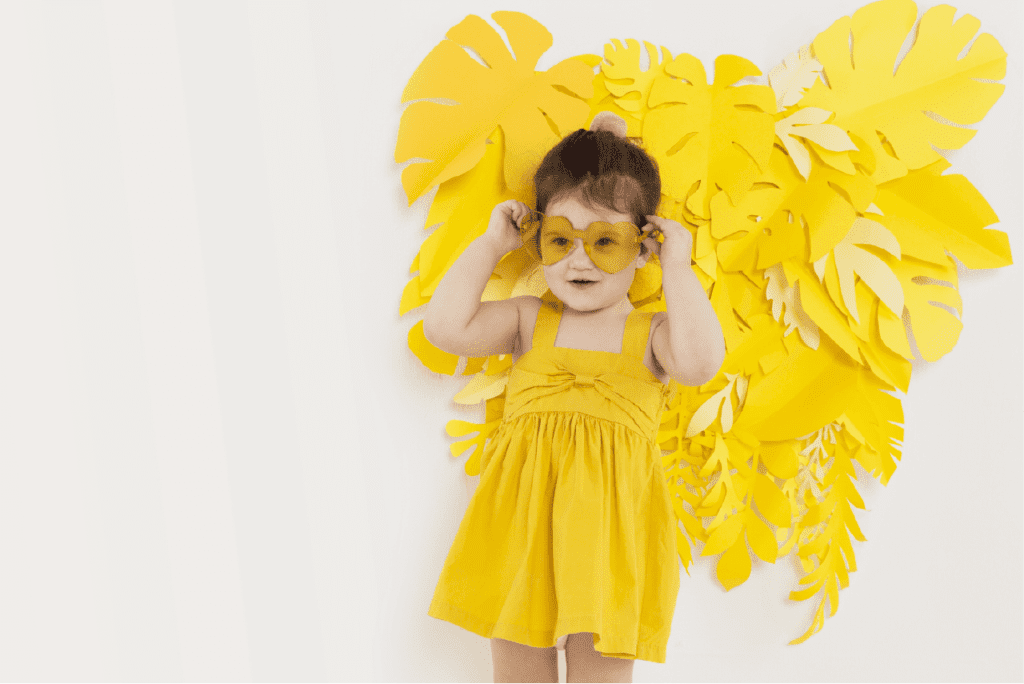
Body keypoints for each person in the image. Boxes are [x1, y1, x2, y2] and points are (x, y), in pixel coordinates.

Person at [422, 111, 726, 683]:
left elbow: (703, 362)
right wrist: (492, 244)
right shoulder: (527, 320)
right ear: (538, 240)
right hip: (523, 526)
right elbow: (445, 328)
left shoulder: (654, 335)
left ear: (644, 247)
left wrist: (679, 268)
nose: (579, 259)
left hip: (611, 539)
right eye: (560, 240)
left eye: (605, 241)